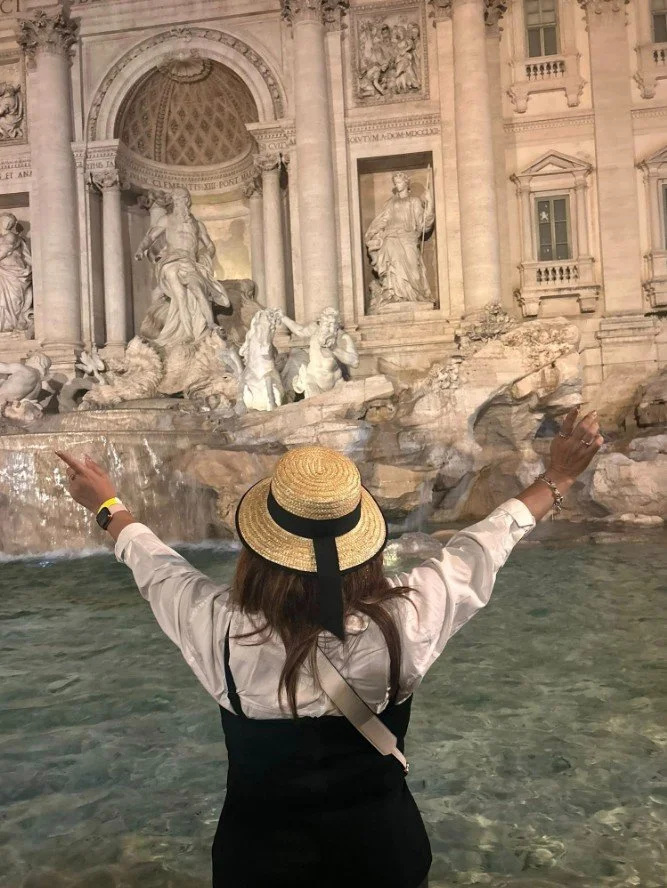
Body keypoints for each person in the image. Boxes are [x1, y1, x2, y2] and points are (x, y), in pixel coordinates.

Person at [56, 406, 602, 888]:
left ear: (258, 547)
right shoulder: (404, 623)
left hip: (258, 864)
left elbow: (154, 563)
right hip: (384, 857)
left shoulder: (218, 629)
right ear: (362, 547)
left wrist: (106, 504)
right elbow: (482, 546)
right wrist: (558, 476)